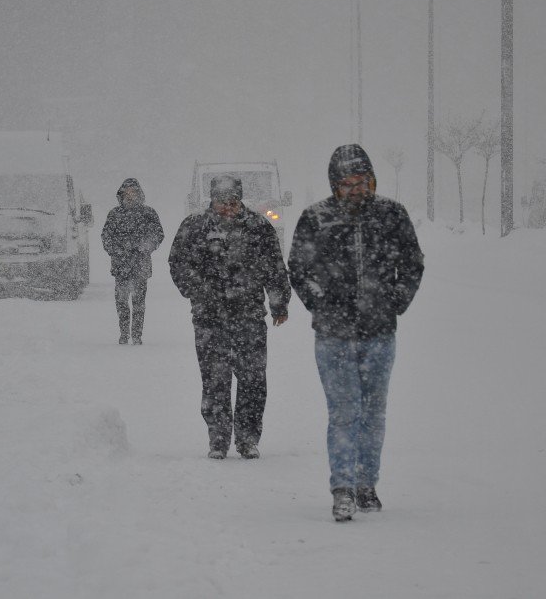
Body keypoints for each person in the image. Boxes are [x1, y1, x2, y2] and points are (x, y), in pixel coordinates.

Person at [288, 144, 424, 522]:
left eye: (360, 181)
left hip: (379, 333)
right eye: (345, 183)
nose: (354, 189)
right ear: (334, 185)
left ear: (372, 180)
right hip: (333, 336)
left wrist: (396, 300)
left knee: (374, 412)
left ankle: (367, 483)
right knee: (345, 411)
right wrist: (320, 304)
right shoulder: (315, 218)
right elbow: (299, 270)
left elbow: (412, 264)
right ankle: (343, 488)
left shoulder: (392, 215)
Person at [168, 175, 291, 460]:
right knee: (215, 380)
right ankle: (218, 439)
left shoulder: (259, 227)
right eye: (221, 202)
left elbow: (274, 267)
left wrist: (279, 303)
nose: (227, 208)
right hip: (209, 318)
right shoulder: (194, 227)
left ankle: (248, 438)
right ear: (212, 200)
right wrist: (198, 291)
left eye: (232, 202)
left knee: (253, 379)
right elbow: (178, 263)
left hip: (249, 316)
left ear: (240, 199)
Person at [101, 178, 164, 345]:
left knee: (138, 302)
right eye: (126, 192)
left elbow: (158, 234)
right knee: (121, 301)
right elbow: (106, 236)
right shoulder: (114, 214)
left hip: (140, 264)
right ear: (121, 194)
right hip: (121, 266)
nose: (129, 196)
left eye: (133, 192)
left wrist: (146, 246)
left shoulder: (148, 213)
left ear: (139, 194)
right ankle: (123, 333)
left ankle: (136, 335)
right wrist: (115, 250)